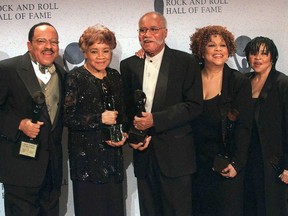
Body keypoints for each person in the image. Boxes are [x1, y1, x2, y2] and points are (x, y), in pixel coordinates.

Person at [120, 11, 202, 216]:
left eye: (153, 29)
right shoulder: (129, 65)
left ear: (164, 32)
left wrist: (155, 120)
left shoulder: (185, 62)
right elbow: (127, 109)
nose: (147, 34)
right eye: (142, 30)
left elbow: (193, 105)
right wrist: (133, 134)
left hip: (176, 157)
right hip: (144, 156)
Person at [0, 22, 66, 216]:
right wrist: (18, 124)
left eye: (53, 42)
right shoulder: (7, 69)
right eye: (41, 41)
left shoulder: (62, 74)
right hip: (19, 170)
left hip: (52, 173)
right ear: (29, 45)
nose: (49, 46)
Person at [63, 24, 128, 216]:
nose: (101, 56)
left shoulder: (115, 77)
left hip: (113, 159)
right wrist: (99, 119)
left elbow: (121, 115)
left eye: (106, 51)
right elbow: (67, 118)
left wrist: (123, 134)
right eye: (94, 51)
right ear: (85, 52)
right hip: (87, 162)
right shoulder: (75, 77)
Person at [189, 25, 253, 216]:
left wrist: (237, 163)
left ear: (230, 49)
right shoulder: (190, 78)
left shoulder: (237, 81)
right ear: (201, 50)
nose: (218, 49)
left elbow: (244, 126)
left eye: (223, 45)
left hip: (226, 164)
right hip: (195, 166)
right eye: (211, 45)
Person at [243, 36, 288, 216]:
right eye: (253, 53)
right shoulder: (244, 81)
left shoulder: (282, 83)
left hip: (273, 162)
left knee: (272, 208)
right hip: (248, 158)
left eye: (263, 53)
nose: (257, 58)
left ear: (273, 57)